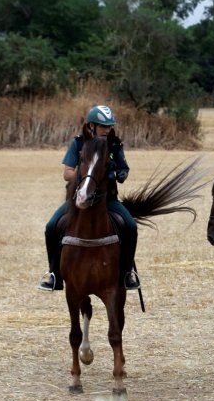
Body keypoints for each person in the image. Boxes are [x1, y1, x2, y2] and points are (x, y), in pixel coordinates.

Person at [38, 105, 140, 292]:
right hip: (79, 200)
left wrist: (122, 173)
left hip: (108, 201)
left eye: (109, 126)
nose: (106, 130)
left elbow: (123, 167)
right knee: (51, 226)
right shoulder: (78, 143)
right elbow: (67, 173)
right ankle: (54, 275)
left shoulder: (114, 144)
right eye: (102, 126)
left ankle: (127, 274)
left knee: (131, 227)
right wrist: (87, 174)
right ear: (91, 126)